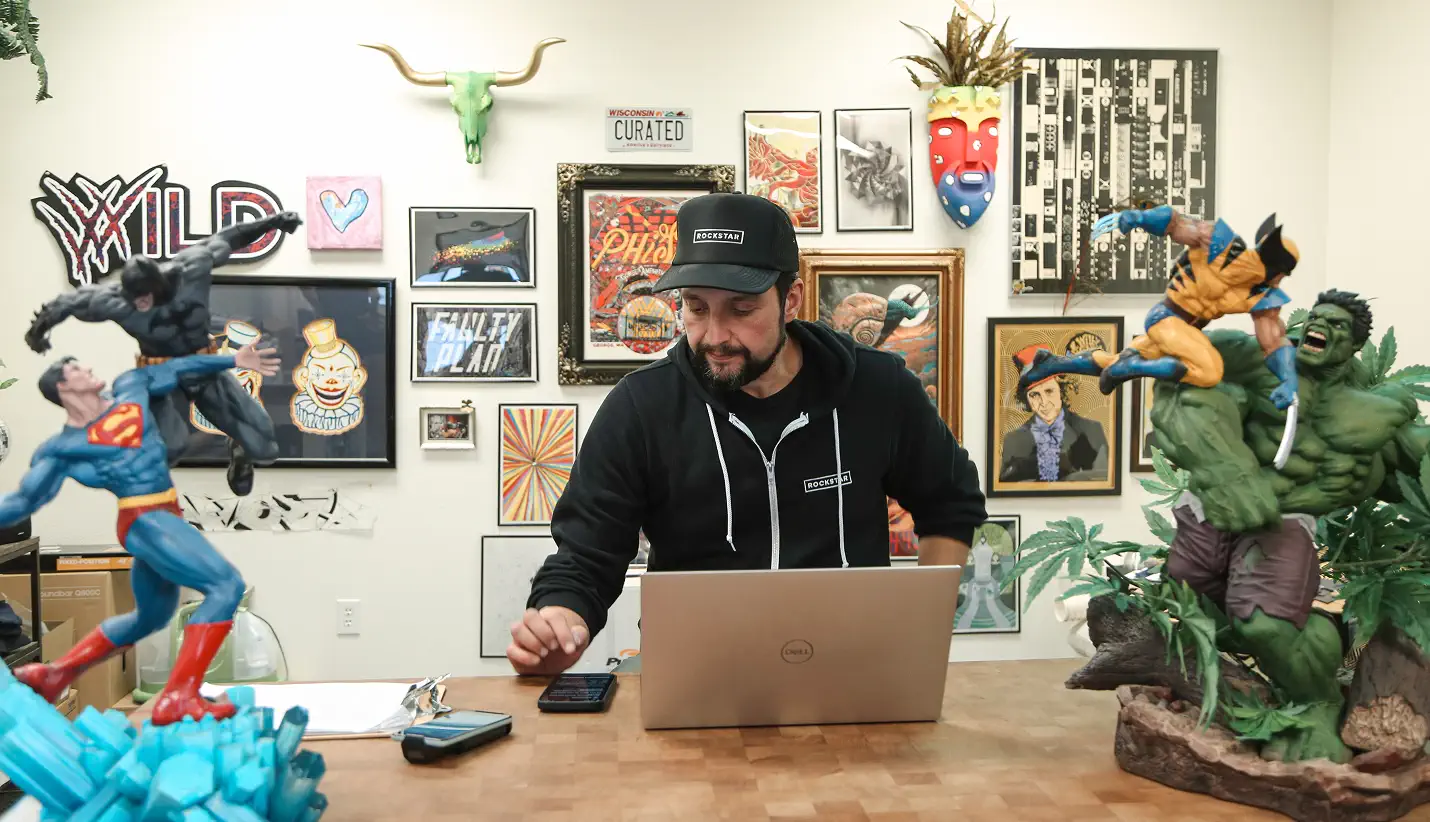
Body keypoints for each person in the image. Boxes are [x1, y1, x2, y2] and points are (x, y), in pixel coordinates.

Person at [506, 192, 988, 674]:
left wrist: (922, 631)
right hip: (694, 679)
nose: (716, 335)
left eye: (741, 310)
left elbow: (951, 501)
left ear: (790, 300)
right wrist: (558, 623)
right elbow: (587, 556)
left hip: (851, 674)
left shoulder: (878, 389)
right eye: (696, 308)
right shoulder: (641, 407)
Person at [0, 342, 281, 725]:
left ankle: (57, 672)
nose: (87, 369)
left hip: (166, 514)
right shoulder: (65, 448)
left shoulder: (130, 388)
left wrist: (234, 360)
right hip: (144, 519)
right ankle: (180, 695)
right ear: (64, 388)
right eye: (77, 369)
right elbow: (22, 502)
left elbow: (179, 366)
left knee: (149, 618)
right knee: (226, 586)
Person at [24, 211, 304, 496]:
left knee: (265, 448)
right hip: (160, 375)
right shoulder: (115, 302)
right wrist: (38, 333)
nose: (140, 305)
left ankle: (238, 447)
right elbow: (66, 303)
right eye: (134, 299)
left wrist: (274, 222)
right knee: (170, 450)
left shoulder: (192, 268)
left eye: (144, 298)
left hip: (203, 367)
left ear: (160, 285)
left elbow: (230, 237)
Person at [999, 343, 1109, 483]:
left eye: (1049, 391)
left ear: (1061, 390)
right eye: (1034, 395)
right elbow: (1006, 487)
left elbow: (1102, 482)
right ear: (1026, 399)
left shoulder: (1091, 430)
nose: (1044, 402)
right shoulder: (1013, 440)